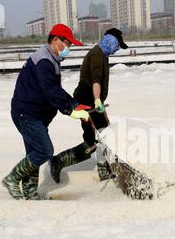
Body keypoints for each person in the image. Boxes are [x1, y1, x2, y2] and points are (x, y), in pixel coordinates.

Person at [2, 24, 89, 200]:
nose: (68, 48)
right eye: (67, 43)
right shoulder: (44, 61)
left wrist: (74, 104)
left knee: (33, 153)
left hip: (34, 114)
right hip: (27, 114)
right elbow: (51, 91)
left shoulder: (51, 59)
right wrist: (70, 110)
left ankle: (30, 193)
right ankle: (12, 178)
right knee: (44, 151)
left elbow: (55, 89)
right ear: (56, 40)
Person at [50, 28, 129, 184]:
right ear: (110, 41)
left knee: (101, 136)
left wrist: (98, 101)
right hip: (87, 100)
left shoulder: (102, 55)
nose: (118, 48)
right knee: (98, 138)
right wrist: (98, 100)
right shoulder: (97, 56)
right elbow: (96, 81)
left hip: (91, 99)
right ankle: (59, 161)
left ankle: (104, 169)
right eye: (117, 45)